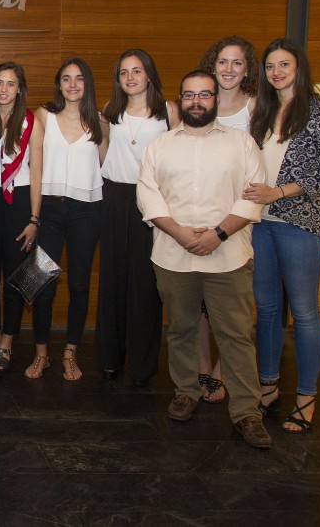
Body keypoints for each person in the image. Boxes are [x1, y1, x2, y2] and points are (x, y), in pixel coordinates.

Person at [137, 68, 271, 449]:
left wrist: (218, 234)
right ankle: (186, 392)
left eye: (204, 95)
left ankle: (247, 413)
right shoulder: (160, 145)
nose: (196, 102)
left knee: (236, 335)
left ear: (215, 98)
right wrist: (180, 233)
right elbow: (147, 195)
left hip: (227, 256)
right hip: (173, 254)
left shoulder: (242, 144)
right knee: (181, 330)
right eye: (190, 95)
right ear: (181, 100)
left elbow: (253, 197)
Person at [244, 38, 320, 433]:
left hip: (301, 222)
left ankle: (306, 397)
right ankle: (268, 388)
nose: (277, 72)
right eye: (270, 66)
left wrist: (279, 193)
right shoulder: (263, 112)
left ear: (299, 68)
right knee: (266, 308)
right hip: (261, 221)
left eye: (284, 64)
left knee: (303, 311)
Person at [94, 50, 177, 387]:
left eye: (137, 71)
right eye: (124, 72)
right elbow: (104, 153)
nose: (130, 78)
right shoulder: (110, 111)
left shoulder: (168, 111)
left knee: (145, 283)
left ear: (149, 75)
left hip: (152, 200)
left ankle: (143, 366)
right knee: (112, 279)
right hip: (115, 197)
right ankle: (110, 359)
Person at [27, 58, 106, 381]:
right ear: (58, 85)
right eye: (66, 78)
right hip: (49, 211)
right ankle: (41, 354)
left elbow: (104, 166)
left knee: (79, 284)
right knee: (42, 284)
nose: (72, 84)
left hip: (86, 212)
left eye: (79, 78)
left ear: (87, 84)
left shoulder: (100, 121)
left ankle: (70, 353)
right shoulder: (43, 116)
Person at [193, 36, 260, 403]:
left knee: (235, 304)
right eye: (222, 62)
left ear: (247, 69)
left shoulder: (258, 107)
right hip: (202, 211)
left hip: (242, 215)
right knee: (201, 301)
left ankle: (222, 371)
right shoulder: (202, 104)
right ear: (212, 65)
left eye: (237, 63)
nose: (229, 69)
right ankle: (204, 366)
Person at [0, 62, 41, 377]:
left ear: (19, 89)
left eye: (11, 84)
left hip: (19, 204)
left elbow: (37, 173)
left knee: (16, 278)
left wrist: (34, 218)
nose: (4, 89)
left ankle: (8, 343)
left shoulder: (31, 122)